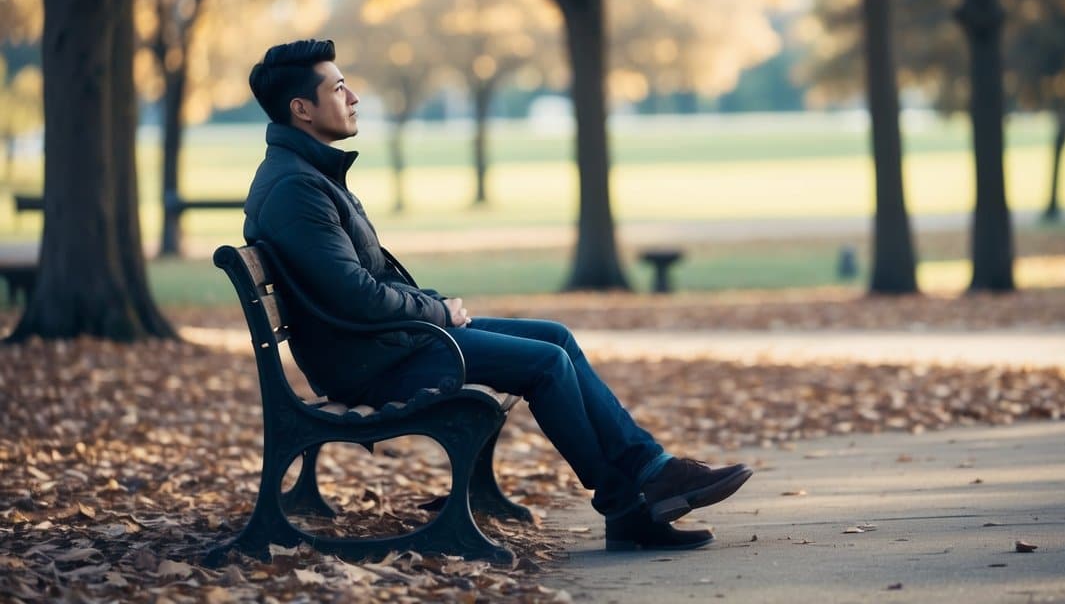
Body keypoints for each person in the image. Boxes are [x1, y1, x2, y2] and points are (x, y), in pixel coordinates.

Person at [242, 39, 752, 551]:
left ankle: (653, 470)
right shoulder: (296, 189)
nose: (353, 97)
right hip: (372, 362)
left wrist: (437, 307)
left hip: (386, 343)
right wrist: (438, 311)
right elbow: (356, 296)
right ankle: (627, 505)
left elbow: (363, 284)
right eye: (338, 88)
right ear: (301, 108)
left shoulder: (307, 176)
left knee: (556, 336)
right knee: (546, 364)